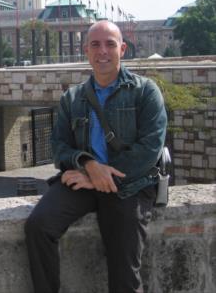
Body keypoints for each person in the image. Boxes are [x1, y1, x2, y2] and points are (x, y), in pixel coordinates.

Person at [24, 21, 167, 293]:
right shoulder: (73, 98)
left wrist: (100, 175)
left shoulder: (145, 91)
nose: (103, 51)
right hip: (84, 179)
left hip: (130, 185)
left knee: (124, 272)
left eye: (110, 44)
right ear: (86, 51)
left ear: (122, 49)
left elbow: (150, 149)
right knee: (38, 227)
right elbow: (58, 146)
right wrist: (88, 165)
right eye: (95, 44)